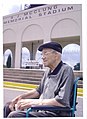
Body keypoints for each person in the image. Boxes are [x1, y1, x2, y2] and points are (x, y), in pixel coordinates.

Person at [4, 41, 74, 117]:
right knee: (8, 106)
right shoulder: (48, 71)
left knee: (14, 115)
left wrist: (31, 102)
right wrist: (19, 98)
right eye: (42, 54)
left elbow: (62, 102)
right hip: (41, 110)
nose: (42, 57)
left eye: (46, 53)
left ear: (56, 55)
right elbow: (38, 91)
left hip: (54, 113)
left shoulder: (66, 70)